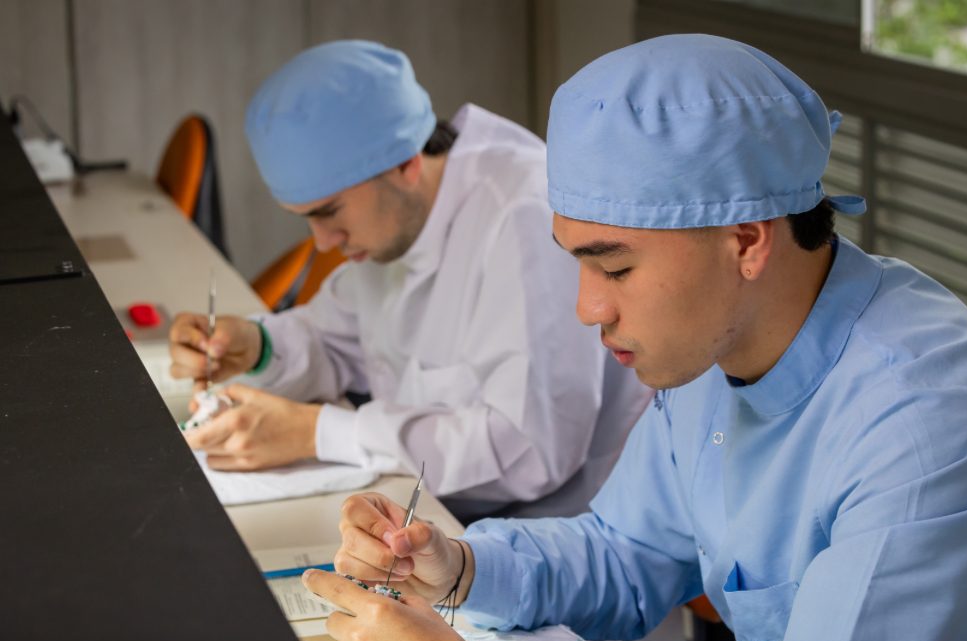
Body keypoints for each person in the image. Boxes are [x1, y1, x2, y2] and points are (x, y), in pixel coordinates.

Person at [304, 34, 967, 641]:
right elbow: (627, 551)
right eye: (578, 262)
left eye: (615, 267)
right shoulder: (717, 342)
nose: (587, 308)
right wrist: (461, 568)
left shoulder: (925, 424)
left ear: (745, 241)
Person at [168, 40, 650, 520]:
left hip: (545, 530)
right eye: (306, 218)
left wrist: (316, 432)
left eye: (329, 212)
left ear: (405, 163)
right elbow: (333, 339)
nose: (322, 242)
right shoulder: (398, 214)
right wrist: (257, 346)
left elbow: (531, 450)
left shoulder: (522, 218)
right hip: (434, 509)